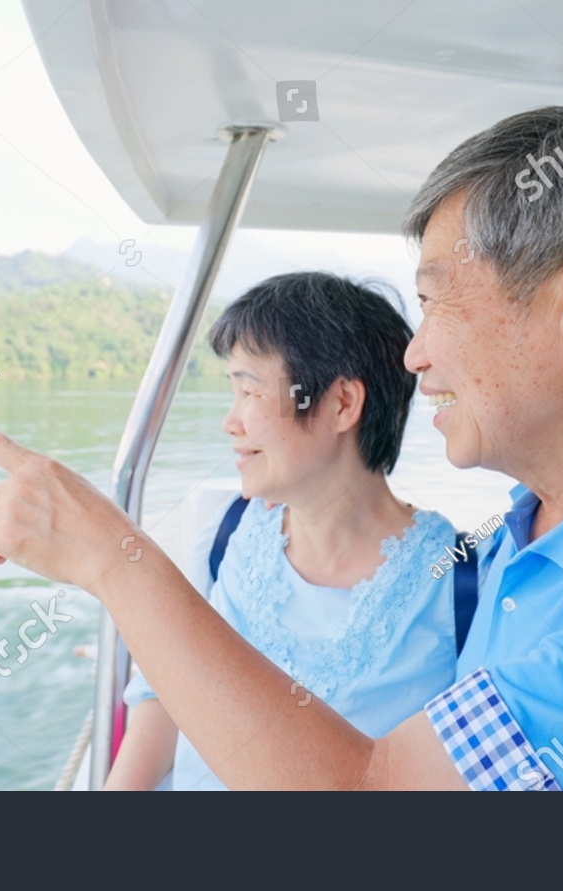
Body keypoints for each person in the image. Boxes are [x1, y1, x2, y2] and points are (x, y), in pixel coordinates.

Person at [0, 105, 563, 790]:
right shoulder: (527, 539)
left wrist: (113, 558)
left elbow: (376, 793)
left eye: (438, 300)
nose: (415, 354)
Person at [103, 272, 460, 790]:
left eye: (250, 391)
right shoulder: (225, 535)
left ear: (342, 404)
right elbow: (164, 693)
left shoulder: (460, 580)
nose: (231, 422)